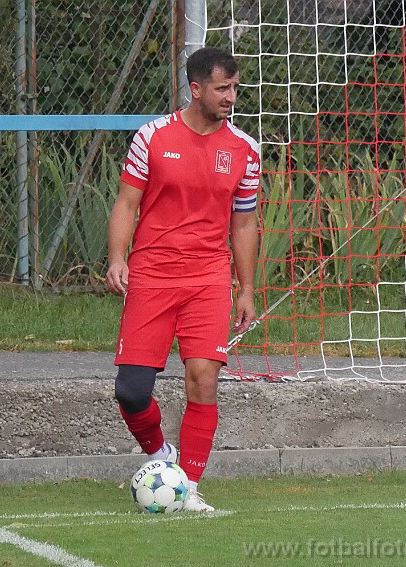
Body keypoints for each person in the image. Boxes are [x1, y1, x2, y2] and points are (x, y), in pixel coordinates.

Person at [105, 46, 260, 513]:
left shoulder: (245, 150)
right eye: (222, 88)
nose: (231, 97)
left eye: (235, 88)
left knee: (203, 380)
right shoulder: (152, 137)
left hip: (208, 278)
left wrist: (246, 289)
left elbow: (245, 225)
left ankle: (188, 486)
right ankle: (161, 456)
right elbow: (127, 203)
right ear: (196, 89)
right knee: (131, 392)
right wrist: (117, 258)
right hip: (152, 274)